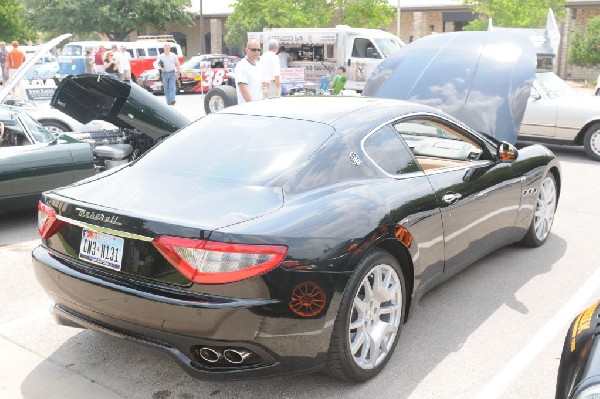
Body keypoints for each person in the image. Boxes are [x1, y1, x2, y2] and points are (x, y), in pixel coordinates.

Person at [234, 39, 263, 104]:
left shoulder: (259, 65)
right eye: (254, 50)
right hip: (247, 108)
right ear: (247, 50)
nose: (256, 52)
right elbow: (243, 89)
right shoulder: (242, 66)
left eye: (259, 50)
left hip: (259, 105)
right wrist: (251, 105)